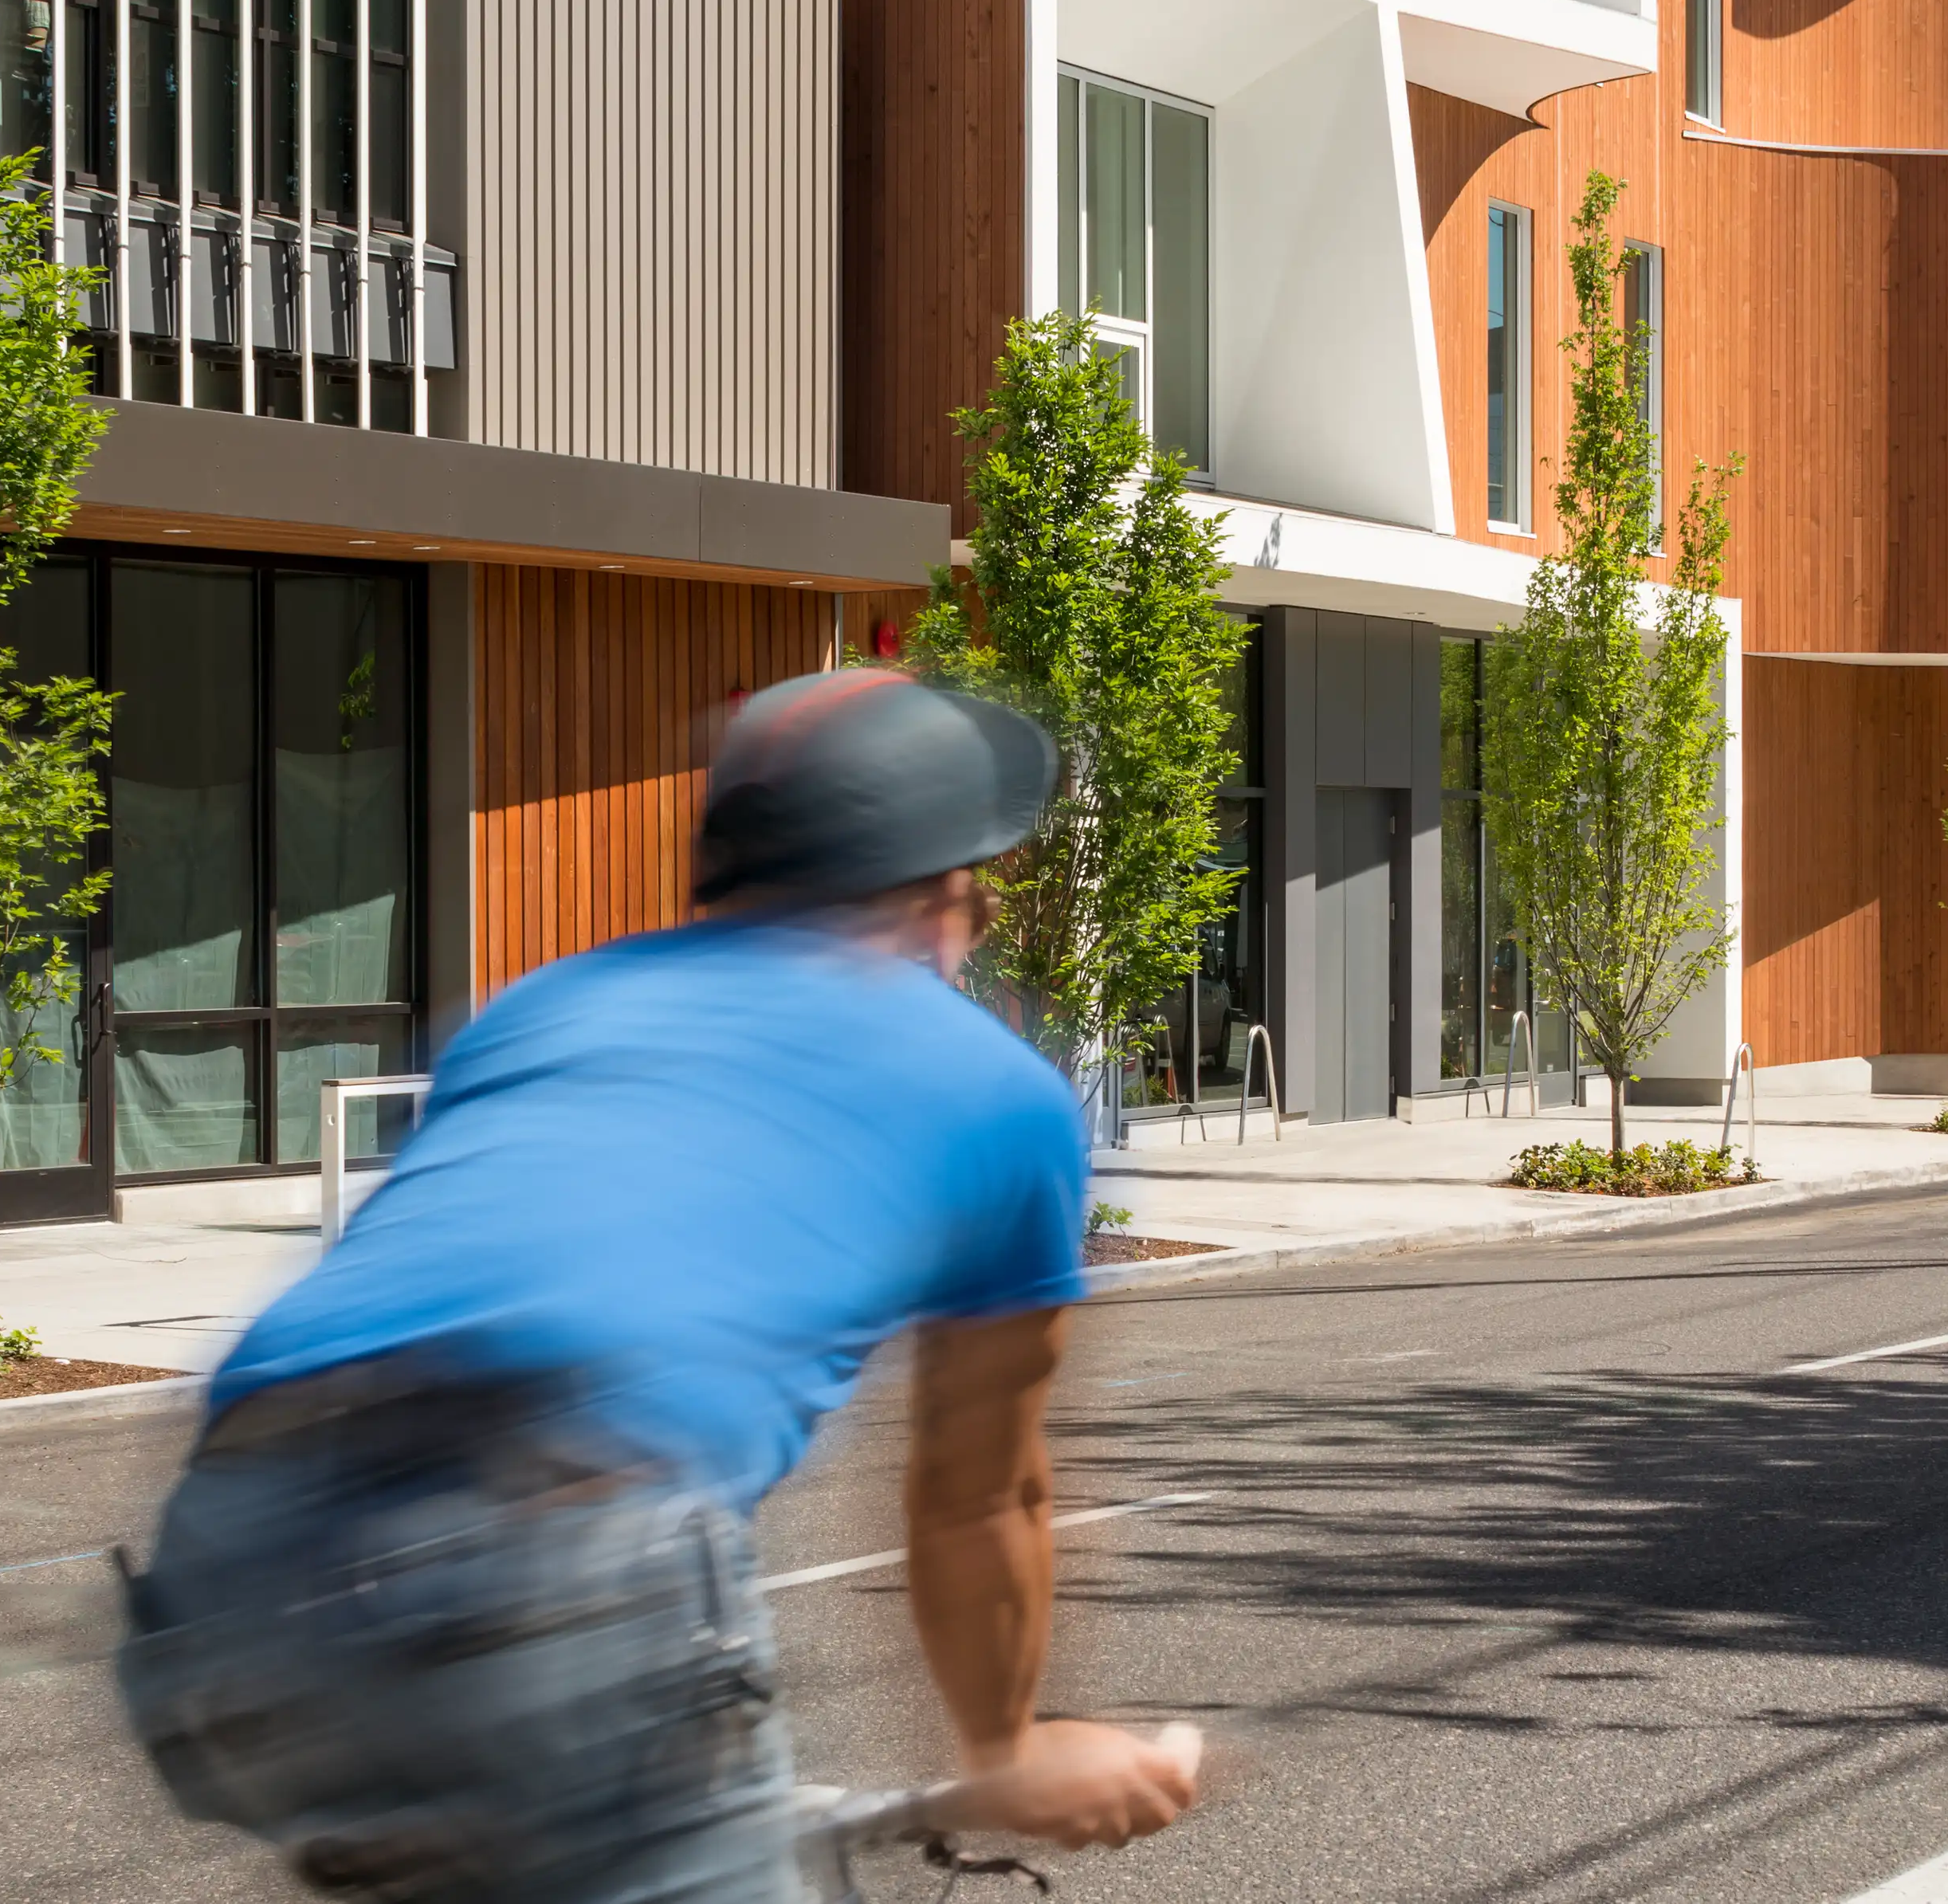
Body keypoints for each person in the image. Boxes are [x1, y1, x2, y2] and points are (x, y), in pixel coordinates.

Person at [119, 667, 1204, 1901]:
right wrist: (1009, 1753)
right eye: (976, 887)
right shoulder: (996, 1089)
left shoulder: (547, 1006)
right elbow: (982, 1491)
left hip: (228, 1554)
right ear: (936, 893)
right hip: (558, 1531)